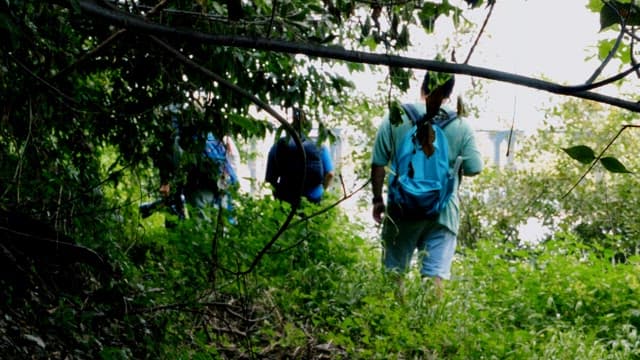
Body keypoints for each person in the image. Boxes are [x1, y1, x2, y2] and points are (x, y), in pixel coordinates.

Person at [370, 71, 483, 294]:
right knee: (434, 277)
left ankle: (395, 324)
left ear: (423, 86)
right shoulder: (461, 125)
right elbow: (474, 167)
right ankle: (428, 325)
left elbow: (378, 163)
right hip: (443, 212)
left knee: (394, 274)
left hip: (401, 210)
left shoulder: (396, 116)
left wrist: (377, 200)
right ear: (448, 95)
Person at [153, 106, 239, 224]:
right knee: (224, 222)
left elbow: (173, 159)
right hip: (223, 180)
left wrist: (166, 181)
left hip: (201, 183)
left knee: (202, 222)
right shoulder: (210, 133)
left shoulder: (179, 136)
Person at [265, 107, 335, 205]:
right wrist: (322, 190)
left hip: (286, 201)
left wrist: (278, 196)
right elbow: (330, 174)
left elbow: (270, 179)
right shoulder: (320, 147)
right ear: (307, 127)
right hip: (314, 200)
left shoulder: (277, 146)